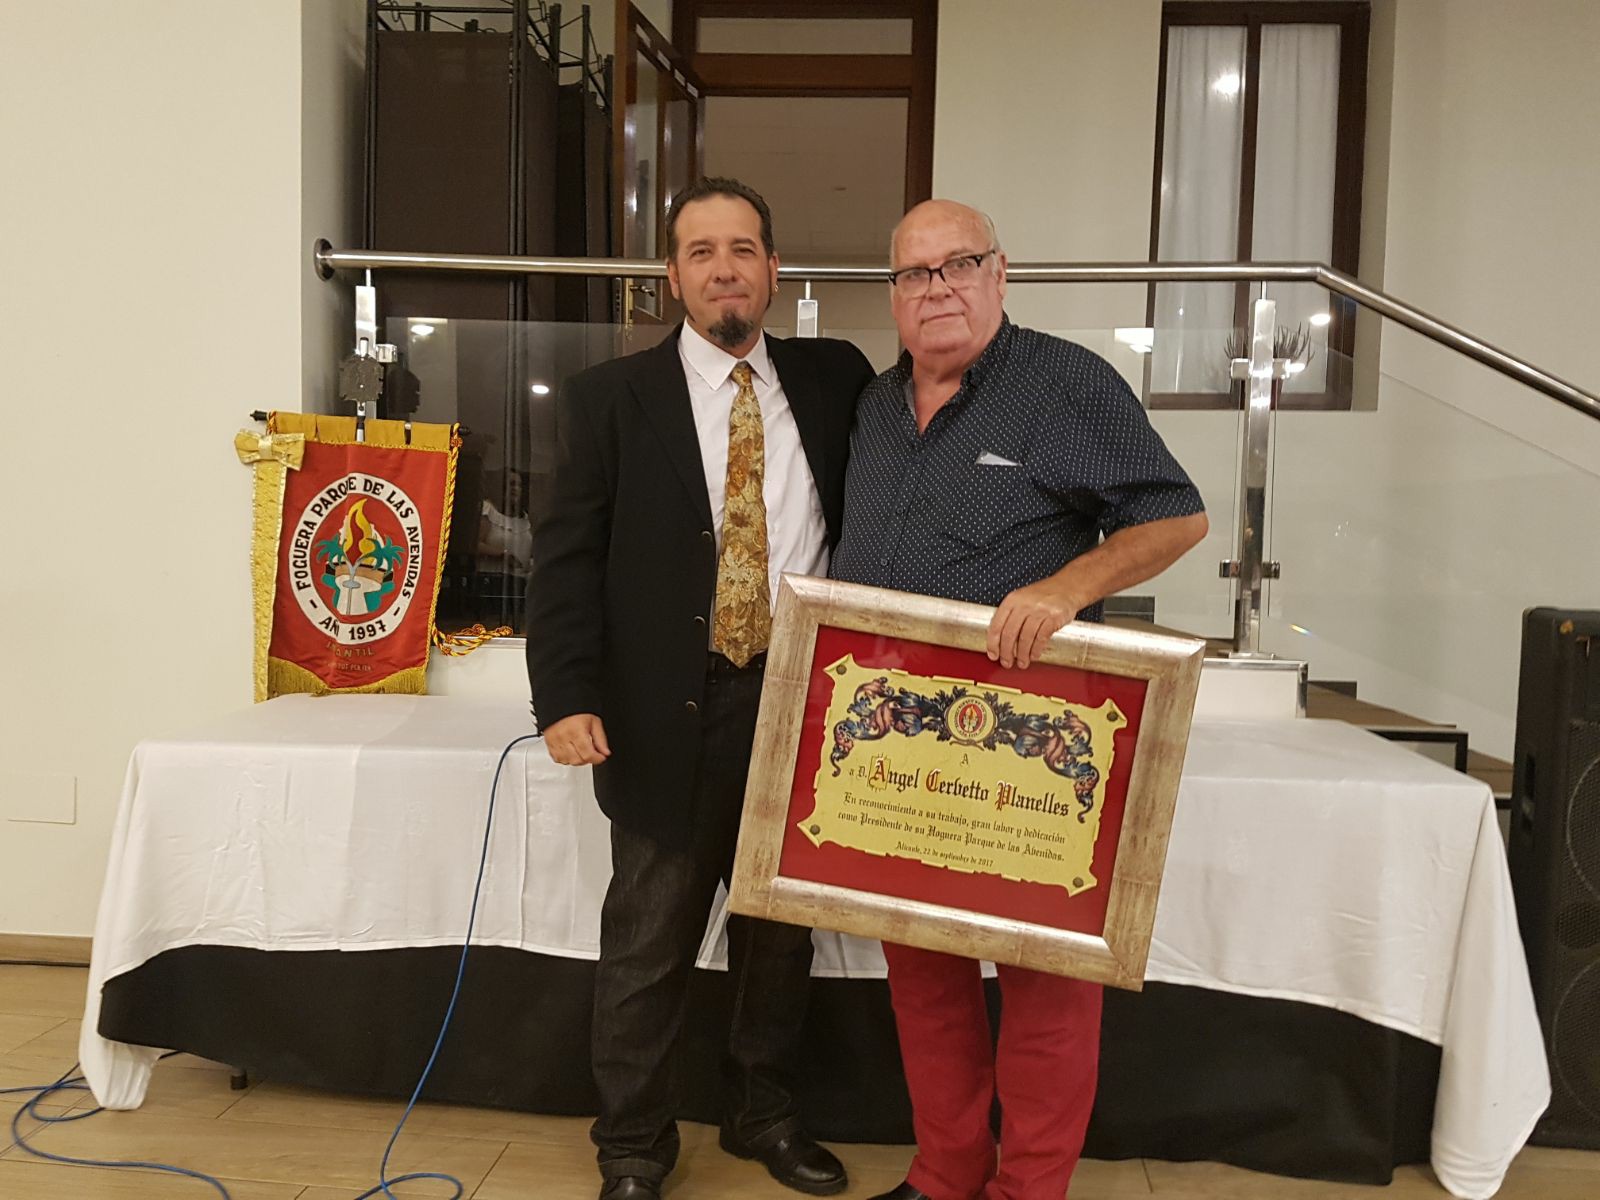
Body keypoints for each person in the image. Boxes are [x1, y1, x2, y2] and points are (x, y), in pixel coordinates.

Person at [830, 200, 1209, 1200]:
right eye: (915, 273)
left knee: (1046, 979)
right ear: (894, 294)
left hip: (1029, 742)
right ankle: (945, 1173)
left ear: (1000, 274)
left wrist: (1064, 589)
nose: (938, 289)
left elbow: (1175, 517)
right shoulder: (873, 407)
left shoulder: (1064, 384)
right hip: (895, 739)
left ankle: (1028, 1189)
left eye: (959, 265)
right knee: (924, 972)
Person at [526, 176, 876, 1200]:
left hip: (803, 704)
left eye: (743, 249)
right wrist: (564, 697)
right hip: (664, 715)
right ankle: (633, 1149)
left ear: (774, 268)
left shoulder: (836, 379)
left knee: (778, 941)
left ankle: (761, 1116)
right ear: (671, 277)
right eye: (701, 251)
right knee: (647, 945)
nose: (725, 268)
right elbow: (565, 565)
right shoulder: (607, 400)